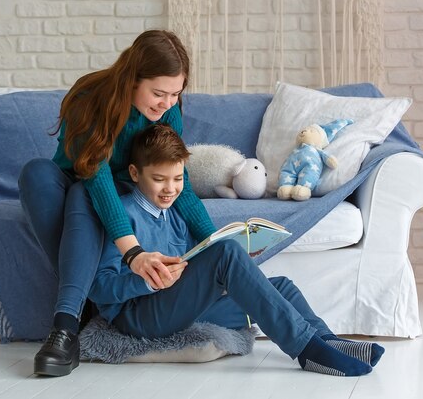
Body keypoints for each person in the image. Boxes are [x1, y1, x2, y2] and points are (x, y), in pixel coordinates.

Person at [88, 124, 385, 377]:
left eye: (177, 179)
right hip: (139, 316)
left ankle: (328, 341)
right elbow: (100, 289)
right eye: (159, 179)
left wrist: (241, 264)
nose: (170, 189)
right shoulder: (121, 217)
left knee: (281, 287)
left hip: (176, 306)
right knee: (226, 252)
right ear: (135, 174)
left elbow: (194, 267)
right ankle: (307, 351)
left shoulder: (176, 216)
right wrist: (146, 280)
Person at [18, 30, 217, 377]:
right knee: (38, 174)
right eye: (158, 93)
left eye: (175, 94)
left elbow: (176, 181)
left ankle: (66, 324)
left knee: (85, 194)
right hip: (77, 182)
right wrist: (134, 253)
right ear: (132, 79)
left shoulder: (168, 111)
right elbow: (94, 176)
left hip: (125, 191)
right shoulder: (90, 96)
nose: (166, 104)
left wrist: (216, 241)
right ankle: (80, 311)